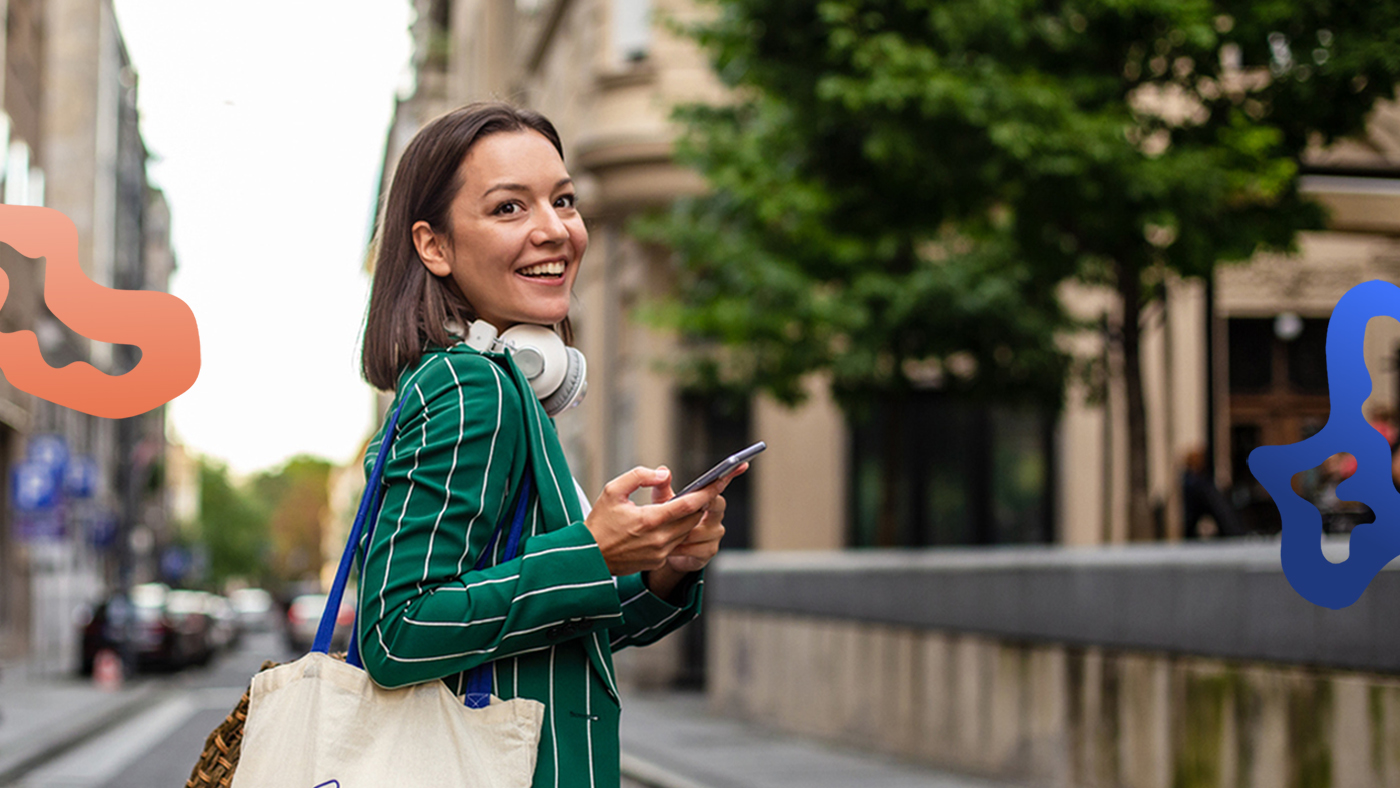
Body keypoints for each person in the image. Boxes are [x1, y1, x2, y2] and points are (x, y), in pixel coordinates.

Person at [356, 102, 743, 786]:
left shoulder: (501, 387)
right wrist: (592, 551)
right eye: (510, 208)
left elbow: (543, 636)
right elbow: (397, 630)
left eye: (564, 200)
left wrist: (659, 570)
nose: (555, 230)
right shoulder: (471, 387)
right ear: (434, 246)